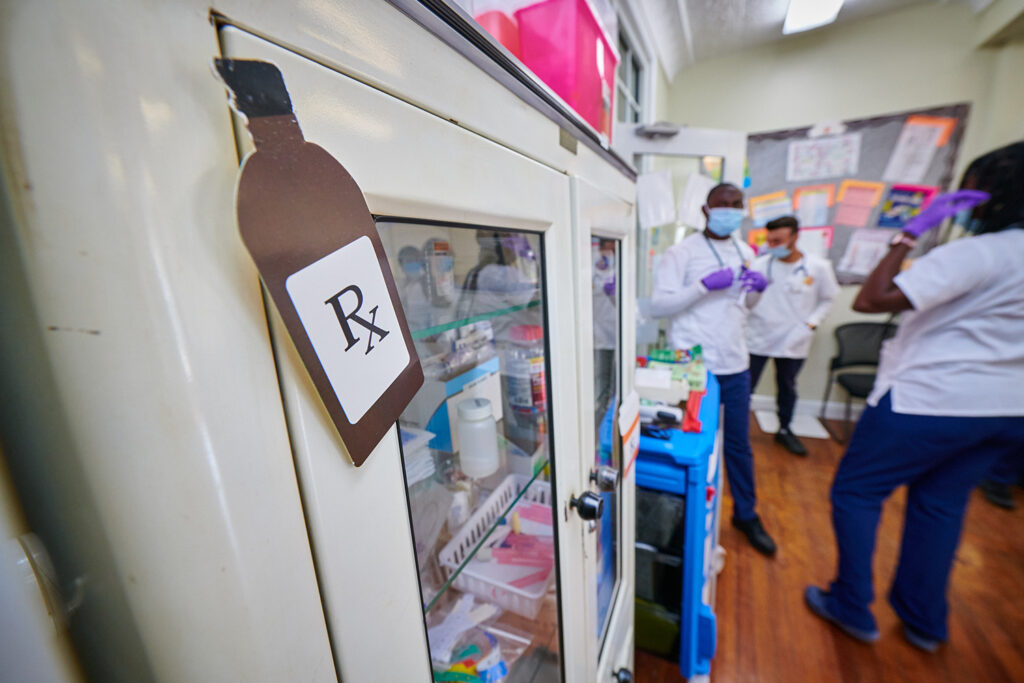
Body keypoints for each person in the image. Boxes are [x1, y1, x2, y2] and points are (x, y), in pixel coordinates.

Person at [804, 141, 1024, 653]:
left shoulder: (982, 252)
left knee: (857, 492)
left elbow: (871, 298)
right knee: (941, 507)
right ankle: (925, 622)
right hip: (1006, 409)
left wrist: (908, 234)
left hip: (930, 401)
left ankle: (850, 604)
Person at [650, 183, 776, 556]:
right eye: (723, 205)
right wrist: (704, 285)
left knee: (738, 444)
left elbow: (746, 305)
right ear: (706, 211)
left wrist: (759, 289)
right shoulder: (681, 252)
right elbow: (659, 306)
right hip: (693, 363)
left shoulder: (745, 251)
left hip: (735, 362)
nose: (730, 211)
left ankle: (746, 514)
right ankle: (680, 518)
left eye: (737, 205)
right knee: (690, 444)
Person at [747, 215, 838, 456]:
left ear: (795, 237)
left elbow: (828, 299)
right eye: (770, 240)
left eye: (778, 240)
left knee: (787, 386)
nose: (773, 245)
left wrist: (811, 324)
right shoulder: (759, 265)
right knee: (746, 386)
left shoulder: (818, 267)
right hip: (758, 335)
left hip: (794, 338)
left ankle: (785, 430)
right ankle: (735, 430)